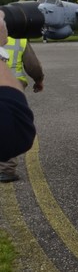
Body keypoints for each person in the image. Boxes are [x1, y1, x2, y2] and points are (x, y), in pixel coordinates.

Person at [0, 18, 37, 170]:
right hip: (12, 85)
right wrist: (39, 79)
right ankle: (7, 168)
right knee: (8, 121)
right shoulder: (20, 39)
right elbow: (32, 65)